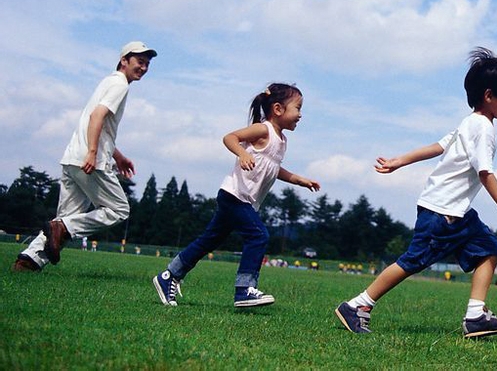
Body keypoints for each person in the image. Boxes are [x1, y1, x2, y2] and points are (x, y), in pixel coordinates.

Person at [336, 48, 497, 339]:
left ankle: (476, 316)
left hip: (457, 213)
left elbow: (438, 146)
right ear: (490, 95)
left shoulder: (469, 123)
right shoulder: (483, 129)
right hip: (442, 212)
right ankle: (357, 306)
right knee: (412, 261)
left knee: (490, 249)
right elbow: (485, 172)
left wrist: (400, 160)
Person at [152, 83, 320, 308]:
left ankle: (169, 276)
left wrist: (299, 179)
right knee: (259, 235)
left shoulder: (281, 141)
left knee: (208, 241)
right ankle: (244, 290)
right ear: (278, 109)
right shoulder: (263, 130)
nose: (300, 114)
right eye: (298, 108)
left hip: (242, 200)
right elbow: (229, 137)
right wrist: (241, 153)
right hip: (234, 195)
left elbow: (271, 168)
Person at [12, 42, 157, 273]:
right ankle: (62, 228)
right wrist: (92, 152)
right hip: (91, 160)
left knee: (67, 217)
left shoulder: (108, 81)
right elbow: (97, 116)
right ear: (124, 61)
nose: (144, 67)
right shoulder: (120, 84)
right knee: (119, 209)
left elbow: (100, 122)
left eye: (147, 63)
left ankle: (28, 261)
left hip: (72, 157)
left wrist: (117, 155)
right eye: (140, 62)